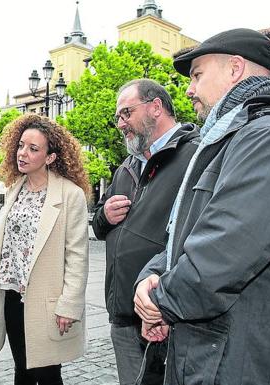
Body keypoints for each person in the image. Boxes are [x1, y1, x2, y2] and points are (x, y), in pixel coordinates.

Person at [134, 28, 270, 385]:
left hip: (242, 362)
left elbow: (222, 254)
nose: (189, 89)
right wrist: (150, 277)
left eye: (197, 75)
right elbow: (184, 233)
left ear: (235, 68)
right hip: (211, 355)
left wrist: (159, 302)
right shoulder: (230, 138)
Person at [91, 79, 198, 385]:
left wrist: (162, 301)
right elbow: (98, 224)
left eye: (126, 113)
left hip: (165, 315)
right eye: (118, 118)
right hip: (122, 313)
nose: (121, 124)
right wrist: (105, 215)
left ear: (155, 107)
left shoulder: (194, 156)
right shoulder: (126, 166)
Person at [0, 114, 90, 385]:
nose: (23, 153)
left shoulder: (70, 195)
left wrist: (69, 305)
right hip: (11, 295)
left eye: (33, 149)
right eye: (21, 145)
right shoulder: (13, 188)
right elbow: (5, 246)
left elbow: (77, 255)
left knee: (46, 374)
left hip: (47, 301)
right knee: (21, 370)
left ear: (50, 157)